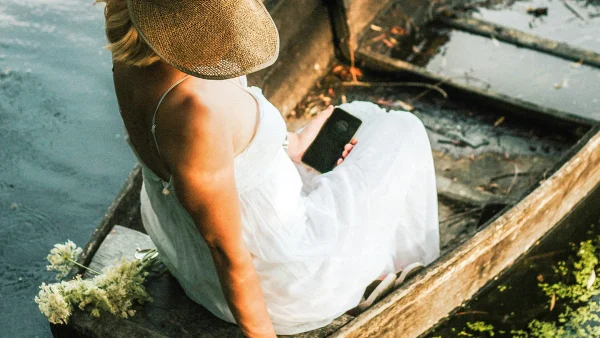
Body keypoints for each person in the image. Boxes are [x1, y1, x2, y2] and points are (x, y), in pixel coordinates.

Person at [100, 0, 440, 336]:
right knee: (401, 131)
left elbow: (220, 150)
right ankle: (376, 274)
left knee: (362, 119)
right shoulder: (196, 110)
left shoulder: (131, 35)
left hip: (189, 263)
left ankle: (365, 265)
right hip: (276, 286)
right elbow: (228, 254)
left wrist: (290, 143)